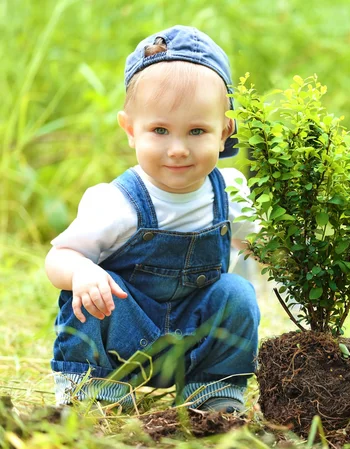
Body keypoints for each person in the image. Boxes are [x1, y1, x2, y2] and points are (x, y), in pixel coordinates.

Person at [45, 25, 260, 413]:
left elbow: (266, 250)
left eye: (197, 131)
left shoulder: (229, 193)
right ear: (130, 130)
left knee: (237, 293)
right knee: (95, 289)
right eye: (159, 130)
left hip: (196, 341)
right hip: (122, 340)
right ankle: (94, 395)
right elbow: (58, 258)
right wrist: (80, 272)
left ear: (225, 131)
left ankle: (213, 394)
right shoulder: (116, 202)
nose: (178, 149)